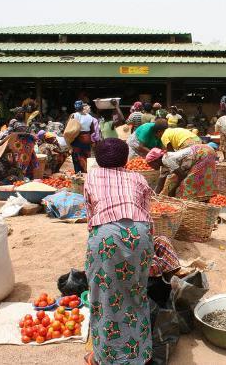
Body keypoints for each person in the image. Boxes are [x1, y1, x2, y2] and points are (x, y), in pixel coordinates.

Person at [83, 138, 154, 364]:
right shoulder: (138, 177)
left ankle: (105, 357)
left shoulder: (92, 176)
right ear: (126, 159)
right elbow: (146, 213)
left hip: (105, 235)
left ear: (98, 158)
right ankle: (140, 356)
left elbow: (90, 215)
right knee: (135, 292)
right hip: (140, 234)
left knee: (104, 297)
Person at [145, 144, 218, 201]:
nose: (152, 167)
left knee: (187, 183)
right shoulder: (165, 160)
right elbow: (161, 182)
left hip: (203, 153)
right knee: (200, 178)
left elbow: (182, 175)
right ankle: (204, 199)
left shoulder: (166, 159)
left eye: (151, 164)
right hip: (205, 150)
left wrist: (172, 191)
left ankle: (192, 204)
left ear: (156, 160)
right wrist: (154, 198)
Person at [71, 101, 100, 173]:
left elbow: (69, 128)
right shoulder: (90, 117)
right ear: (82, 107)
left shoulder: (74, 115)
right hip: (87, 139)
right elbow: (93, 130)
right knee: (86, 156)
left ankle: (78, 173)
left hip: (77, 138)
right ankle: (85, 172)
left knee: (76, 157)